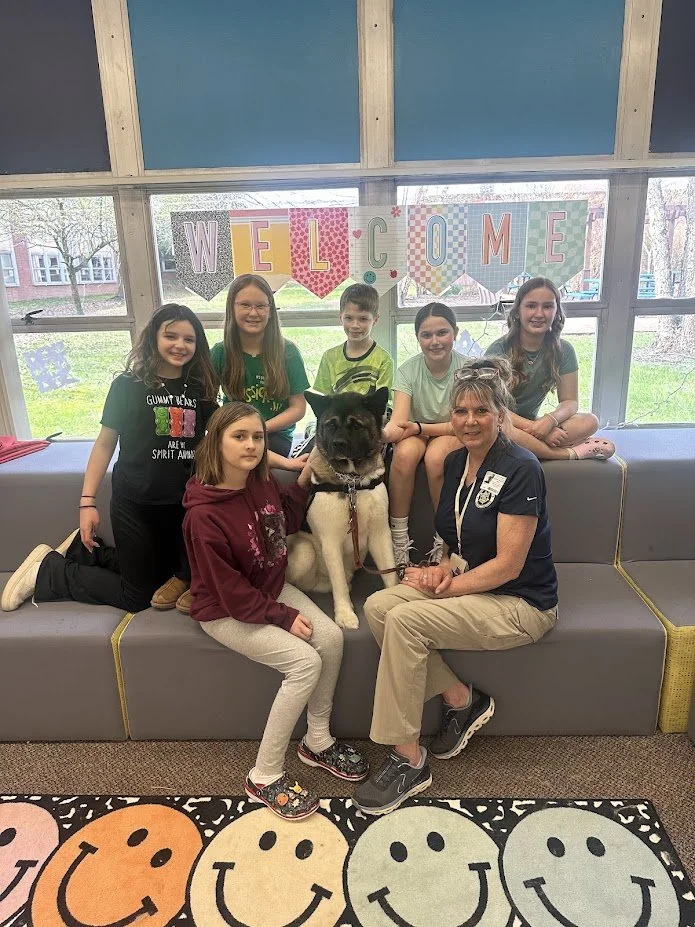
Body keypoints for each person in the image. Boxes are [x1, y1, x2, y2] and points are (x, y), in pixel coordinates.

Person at [353, 357, 558, 815]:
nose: (469, 421)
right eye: (460, 411)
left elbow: (508, 565)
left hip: (518, 602)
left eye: (481, 411)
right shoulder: (456, 461)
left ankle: (409, 760)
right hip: (473, 584)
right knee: (379, 607)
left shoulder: (522, 468)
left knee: (405, 622)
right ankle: (460, 699)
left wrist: (450, 585)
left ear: (501, 415)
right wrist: (440, 566)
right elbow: (454, 535)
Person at [183, 402, 368, 820]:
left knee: (333, 639)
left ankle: (316, 741)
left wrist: (304, 478)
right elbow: (230, 594)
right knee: (304, 663)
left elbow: (282, 520)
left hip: (269, 588)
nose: (251, 445)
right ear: (216, 441)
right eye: (240, 436)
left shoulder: (260, 481)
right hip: (226, 611)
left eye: (258, 437)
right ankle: (264, 775)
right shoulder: (203, 515)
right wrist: (282, 616)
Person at [1, 304, 218, 616]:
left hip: (181, 506)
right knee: (139, 598)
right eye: (171, 335)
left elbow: (219, 438)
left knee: (166, 579)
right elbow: (104, 444)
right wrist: (87, 502)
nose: (180, 345)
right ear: (153, 337)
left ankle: (87, 553)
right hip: (135, 504)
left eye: (189, 339)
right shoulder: (127, 386)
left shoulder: (202, 388)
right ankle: (49, 571)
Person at [485, 277, 615, 461]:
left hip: (536, 425)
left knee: (590, 421)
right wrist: (541, 431)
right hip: (501, 423)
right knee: (504, 431)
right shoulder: (498, 350)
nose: (539, 313)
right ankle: (566, 453)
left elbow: (570, 401)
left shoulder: (564, 350)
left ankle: (532, 445)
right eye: (531, 306)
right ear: (517, 311)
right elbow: (493, 407)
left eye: (547, 306)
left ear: (556, 312)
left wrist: (550, 421)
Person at [382, 302, 469, 566]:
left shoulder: (466, 370)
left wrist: (420, 428)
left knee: (436, 458)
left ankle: (443, 542)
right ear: (417, 337)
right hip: (415, 429)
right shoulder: (408, 370)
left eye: (442, 333)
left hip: (450, 429)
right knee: (405, 454)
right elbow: (399, 421)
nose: (435, 341)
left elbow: (465, 422)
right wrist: (378, 437)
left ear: (455, 332)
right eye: (426, 335)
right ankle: (398, 542)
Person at [211, 274, 310, 460]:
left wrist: (260, 429)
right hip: (234, 433)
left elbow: (298, 408)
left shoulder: (288, 352)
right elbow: (206, 401)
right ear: (231, 308)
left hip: (275, 434)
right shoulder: (219, 353)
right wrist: (229, 428)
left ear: (270, 310)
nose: (253, 313)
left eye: (261, 306)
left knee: (253, 458)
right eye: (245, 305)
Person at [313, 283, 394, 397]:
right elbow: (326, 402)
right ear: (340, 317)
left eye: (363, 319)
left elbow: (383, 403)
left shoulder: (384, 360)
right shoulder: (329, 357)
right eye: (349, 318)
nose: (355, 325)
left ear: (375, 320)